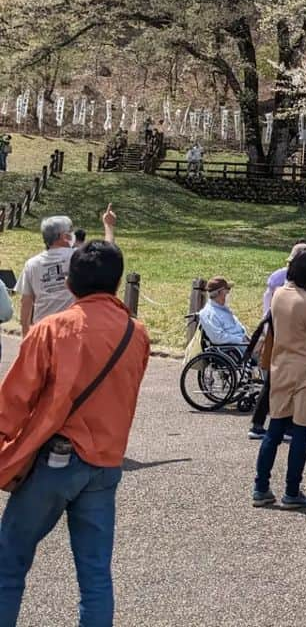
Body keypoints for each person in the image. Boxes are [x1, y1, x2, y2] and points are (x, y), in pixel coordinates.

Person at [0, 239, 150, 626]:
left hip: (55, 459)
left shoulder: (52, 330)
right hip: (105, 461)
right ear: (117, 284)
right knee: (95, 574)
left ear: (70, 284)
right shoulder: (137, 334)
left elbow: (13, 402)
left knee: (8, 563)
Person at [252, 249, 306, 509]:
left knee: (274, 431)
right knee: (301, 432)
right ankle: (292, 490)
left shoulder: (279, 295)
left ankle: (261, 486)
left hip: (281, 366)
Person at [249, 242, 306, 440]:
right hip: (279, 332)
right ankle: (269, 424)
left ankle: (271, 424)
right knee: (279, 380)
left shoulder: (286, 278)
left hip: (279, 331)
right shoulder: (284, 279)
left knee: (279, 380)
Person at [17, 207, 116, 333]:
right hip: (72, 329)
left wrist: (26, 334)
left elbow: (26, 302)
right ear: (64, 236)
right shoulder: (77, 257)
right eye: (71, 231)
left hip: (42, 330)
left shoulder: (31, 264)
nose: (73, 234)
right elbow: (108, 254)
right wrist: (109, 226)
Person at [198, 277, 248, 349]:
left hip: (243, 344)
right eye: (227, 290)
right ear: (219, 293)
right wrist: (240, 340)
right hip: (234, 348)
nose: (228, 293)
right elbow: (217, 338)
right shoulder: (208, 313)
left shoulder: (223, 309)